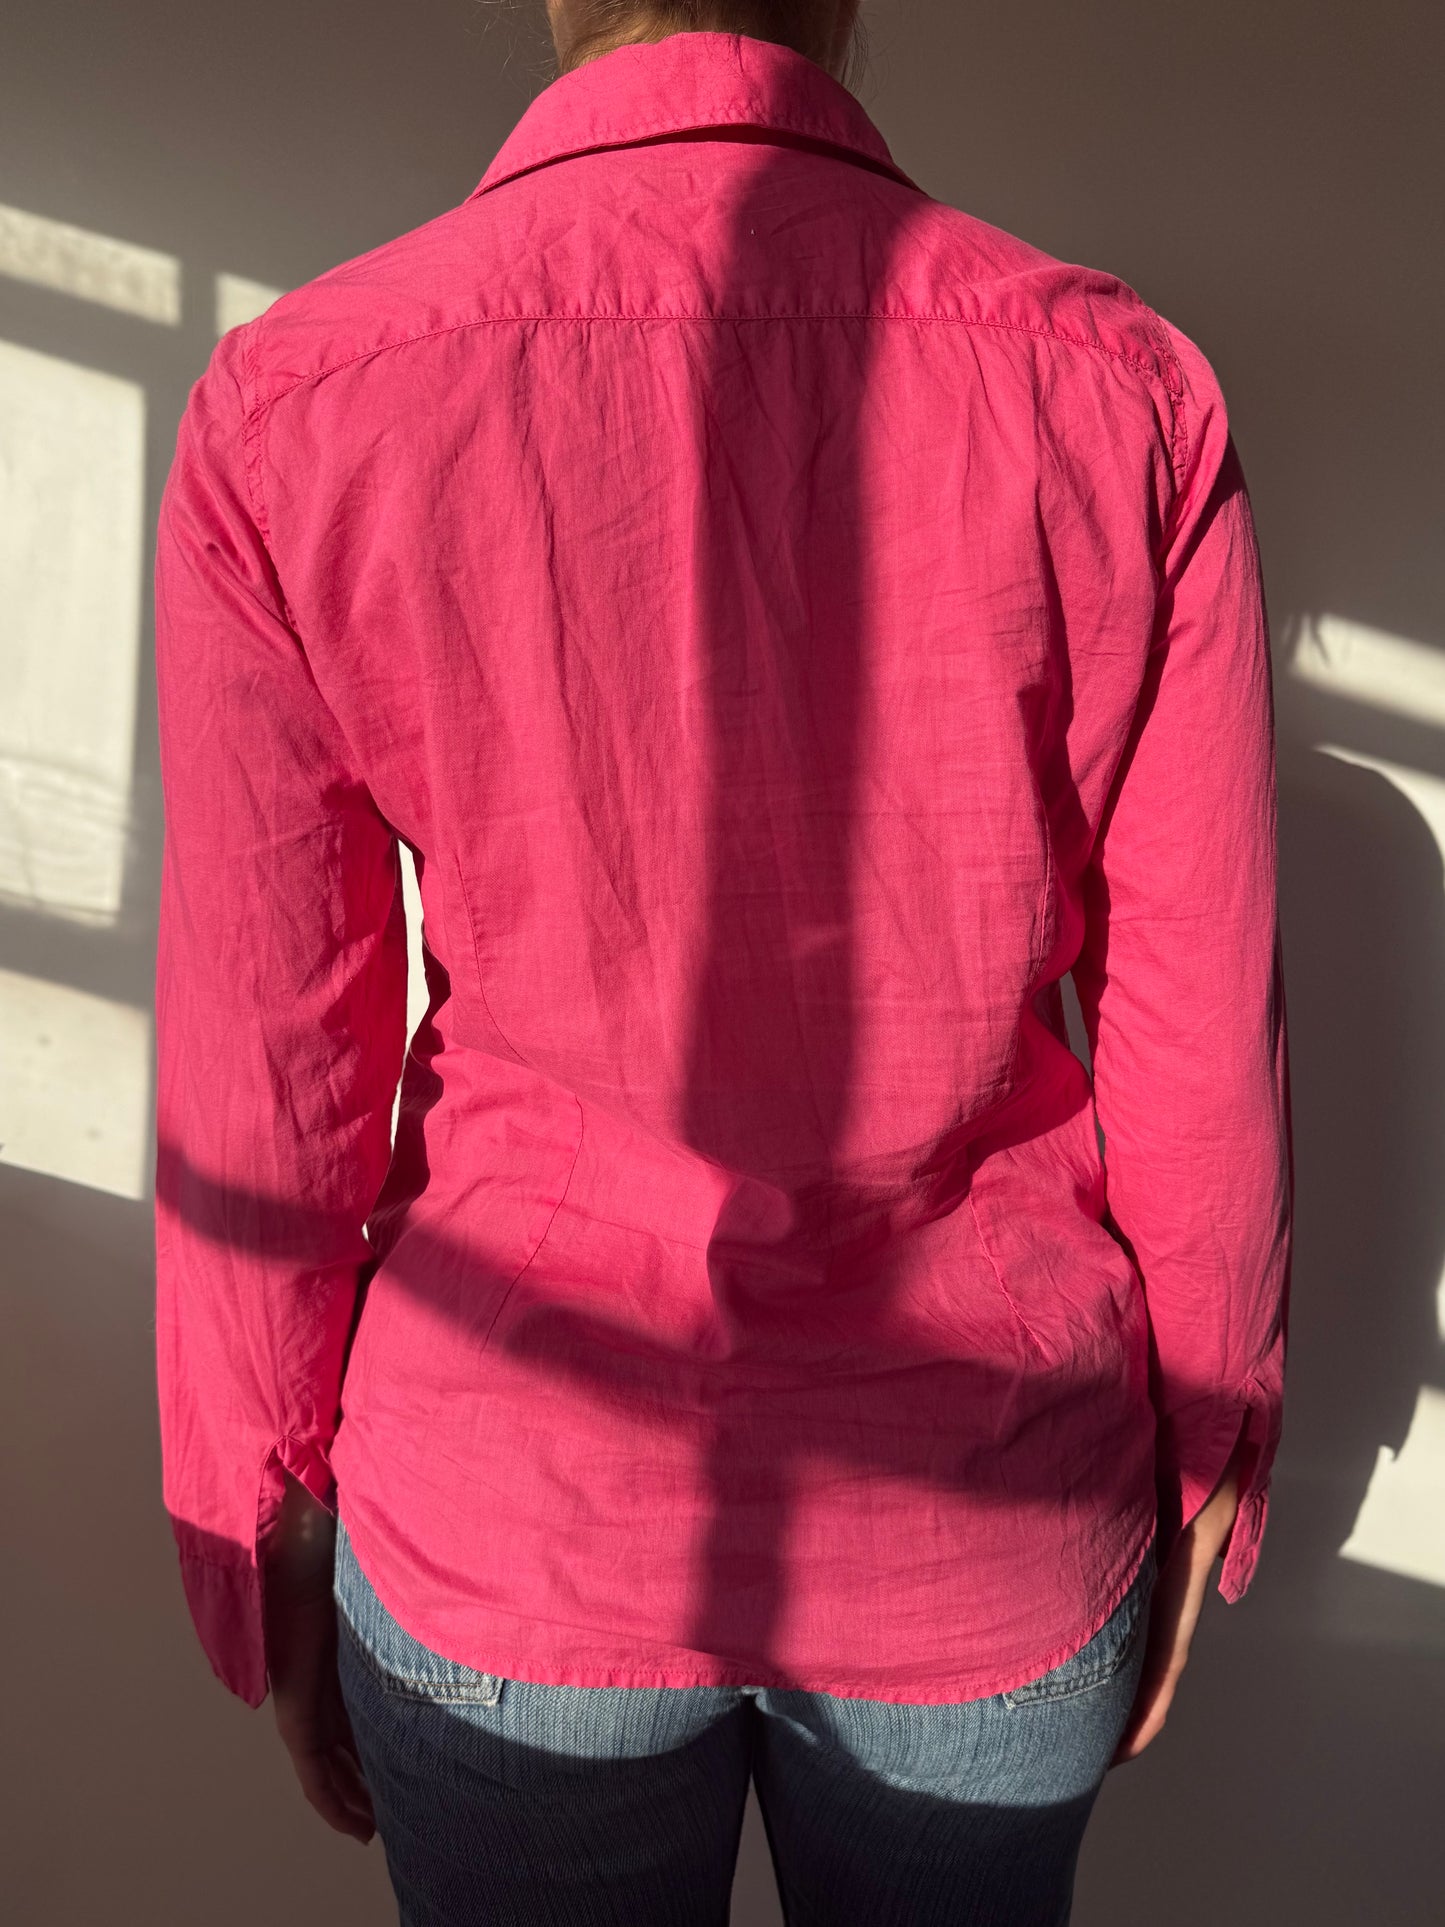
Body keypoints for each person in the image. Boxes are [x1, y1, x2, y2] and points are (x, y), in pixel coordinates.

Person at [152, 2, 1293, 1920]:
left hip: (515, 1521)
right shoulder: (1118, 394)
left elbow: (271, 1059)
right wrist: (1212, 1453)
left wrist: (255, 1517)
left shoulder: (301, 403)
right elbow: (1198, 1030)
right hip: (980, 1512)